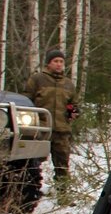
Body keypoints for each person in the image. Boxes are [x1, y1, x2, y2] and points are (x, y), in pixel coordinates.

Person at [24, 48, 77, 185]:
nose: (59, 64)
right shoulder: (37, 79)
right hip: (40, 129)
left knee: (62, 165)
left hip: (61, 130)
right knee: (32, 163)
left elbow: (74, 104)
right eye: (55, 61)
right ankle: (29, 190)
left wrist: (73, 112)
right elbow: (27, 101)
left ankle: (63, 192)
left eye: (61, 61)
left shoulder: (68, 84)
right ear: (48, 63)